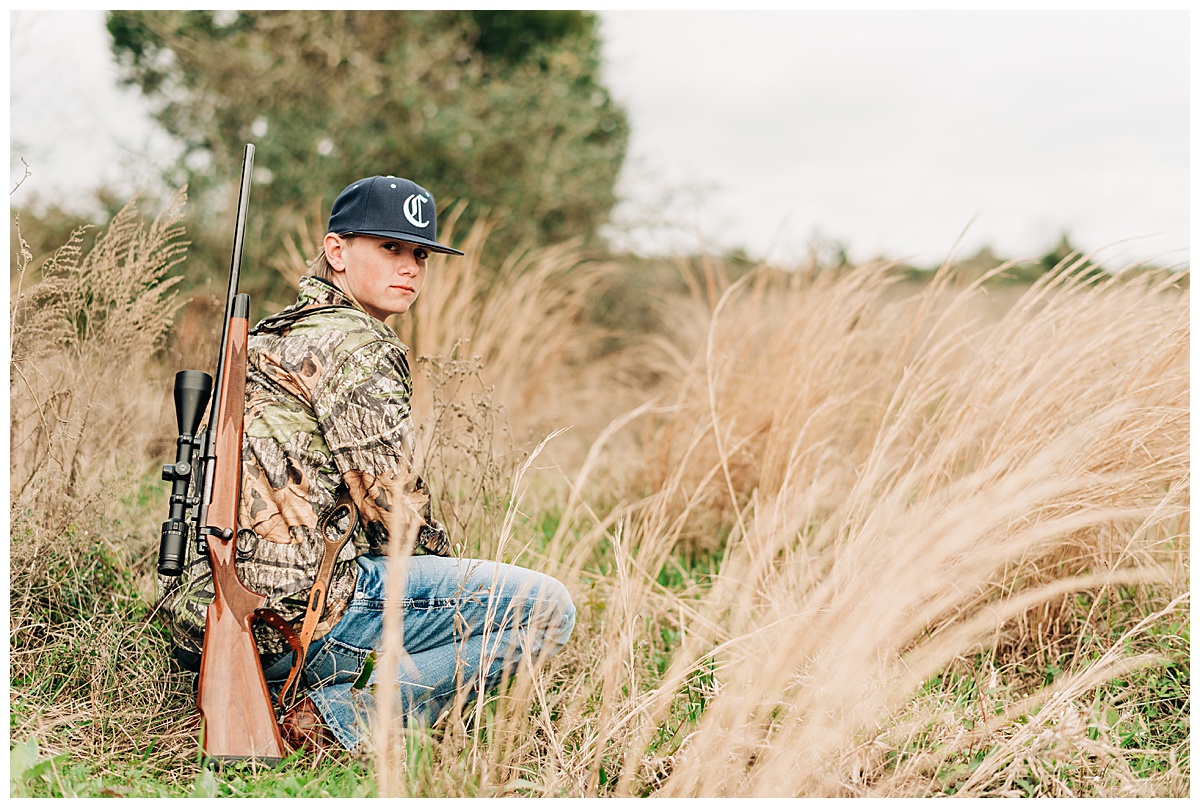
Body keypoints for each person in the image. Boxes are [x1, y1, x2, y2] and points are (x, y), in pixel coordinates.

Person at [159, 175, 576, 754]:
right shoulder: (358, 345)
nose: (409, 267)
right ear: (336, 251)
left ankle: (320, 688)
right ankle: (337, 715)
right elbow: (393, 509)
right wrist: (449, 582)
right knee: (548, 608)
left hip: (209, 612)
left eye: (420, 253)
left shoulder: (267, 339)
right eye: (389, 247)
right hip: (297, 616)